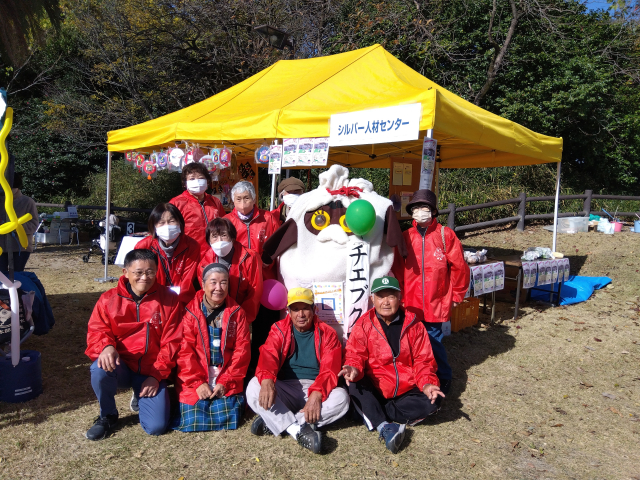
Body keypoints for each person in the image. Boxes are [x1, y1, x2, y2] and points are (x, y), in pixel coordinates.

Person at [85, 249, 182, 440]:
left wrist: (156, 376)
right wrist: (106, 346)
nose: (144, 277)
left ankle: (143, 395)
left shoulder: (170, 299)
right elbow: (97, 330)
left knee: (156, 427)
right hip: (121, 366)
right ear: (126, 273)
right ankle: (108, 415)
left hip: (151, 369)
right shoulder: (107, 300)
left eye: (150, 272)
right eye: (138, 272)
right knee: (99, 368)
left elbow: (173, 342)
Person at [340, 276, 442, 454]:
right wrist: (353, 367)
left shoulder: (414, 325)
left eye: (391, 296)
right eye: (380, 297)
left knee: (434, 399)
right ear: (372, 299)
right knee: (353, 384)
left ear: (400, 298)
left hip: (406, 388)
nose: (385, 302)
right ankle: (383, 425)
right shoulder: (364, 324)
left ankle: (373, 413)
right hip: (375, 386)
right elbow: (355, 353)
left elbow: (423, 360)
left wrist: (427, 384)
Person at [246, 288, 349, 454]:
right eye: (295, 309)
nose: (300, 314)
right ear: (288, 311)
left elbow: (330, 370)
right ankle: (297, 430)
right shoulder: (279, 329)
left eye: (305, 308)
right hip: (285, 389)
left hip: (314, 388)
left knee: (342, 398)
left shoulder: (327, 333)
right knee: (253, 386)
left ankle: (278, 422)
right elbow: (268, 355)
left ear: (313, 310)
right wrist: (267, 381)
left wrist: (316, 394)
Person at [391, 189, 470, 398]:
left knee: (434, 342)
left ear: (433, 211)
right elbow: (398, 267)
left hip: (437, 301)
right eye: (415, 208)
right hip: (411, 301)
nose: (419, 211)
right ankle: (418, 378)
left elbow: (460, 267)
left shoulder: (446, 235)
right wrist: (399, 297)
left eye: (424, 207)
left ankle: (443, 377)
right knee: (411, 343)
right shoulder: (406, 236)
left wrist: (456, 295)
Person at [172, 263, 250, 432]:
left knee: (230, 414)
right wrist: (198, 382)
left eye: (224, 283)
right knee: (192, 417)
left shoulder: (237, 313)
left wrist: (225, 381)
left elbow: (241, 352)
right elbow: (185, 352)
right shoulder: (190, 313)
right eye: (213, 282)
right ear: (203, 284)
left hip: (225, 374)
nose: (218, 288)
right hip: (197, 373)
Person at [197, 217, 262, 323]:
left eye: (223, 235)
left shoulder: (250, 257)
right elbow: (207, 294)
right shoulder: (204, 264)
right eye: (214, 236)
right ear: (209, 241)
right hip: (216, 317)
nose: (219, 241)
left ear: (232, 237)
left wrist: (242, 319)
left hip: (243, 316)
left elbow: (255, 292)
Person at [135, 203, 200, 305]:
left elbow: (187, 281)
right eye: (161, 222)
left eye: (172, 221)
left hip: (182, 301)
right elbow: (139, 278)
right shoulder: (144, 246)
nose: (167, 226)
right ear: (154, 226)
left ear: (180, 223)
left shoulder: (192, 246)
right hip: (151, 299)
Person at [224, 180, 277, 278]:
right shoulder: (226, 221)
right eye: (238, 199)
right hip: (237, 274)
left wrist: (269, 259)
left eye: (246, 198)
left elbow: (277, 242)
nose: (243, 203)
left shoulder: (268, 218)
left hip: (264, 272)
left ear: (254, 199)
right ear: (233, 201)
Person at [170, 163, 225, 252]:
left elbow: (224, 226)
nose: (197, 181)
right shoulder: (176, 203)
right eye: (192, 178)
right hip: (189, 255)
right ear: (185, 183)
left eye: (201, 178)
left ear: (207, 180)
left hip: (214, 253)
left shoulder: (215, 202)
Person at [0, 173, 39, 273]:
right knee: (2, 277)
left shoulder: (27, 202)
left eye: (12, 188)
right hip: (1, 247)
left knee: (18, 275)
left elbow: (34, 224)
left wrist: (16, 227)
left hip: (20, 248)